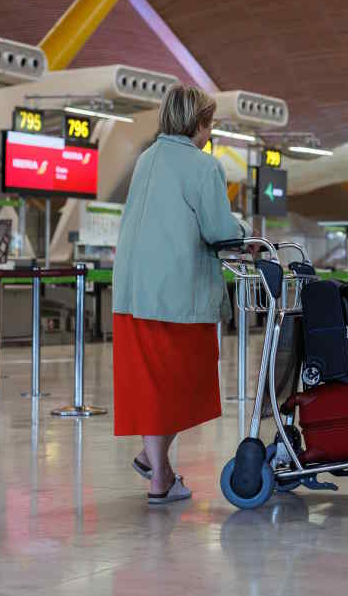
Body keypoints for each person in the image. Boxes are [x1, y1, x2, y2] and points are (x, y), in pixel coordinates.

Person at [112, 84, 242, 504]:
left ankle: (157, 469)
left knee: (153, 383)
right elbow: (219, 230)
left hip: (133, 293)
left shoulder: (146, 159)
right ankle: (157, 471)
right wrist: (243, 234)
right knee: (184, 380)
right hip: (177, 295)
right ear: (198, 123)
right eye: (209, 123)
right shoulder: (203, 166)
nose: (210, 131)